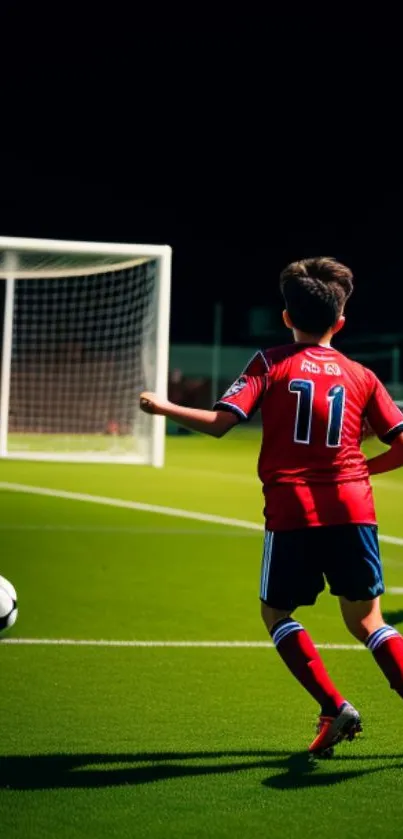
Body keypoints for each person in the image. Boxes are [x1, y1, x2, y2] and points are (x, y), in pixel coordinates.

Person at [139, 257, 403, 757]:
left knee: (276, 612)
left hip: (294, 512)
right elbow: (402, 442)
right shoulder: (361, 374)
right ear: (340, 322)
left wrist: (163, 407)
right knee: (369, 621)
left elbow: (221, 422)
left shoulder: (270, 361)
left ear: (286, 317)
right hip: (354, 509)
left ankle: (334, 705)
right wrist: (364, 470)